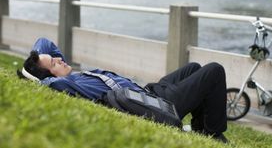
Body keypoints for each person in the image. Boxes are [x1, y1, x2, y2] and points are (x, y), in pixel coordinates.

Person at [17, 37, 228, 143]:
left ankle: (201, 126)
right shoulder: (63, 84)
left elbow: (44, 42)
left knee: (194, 69)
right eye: (54, 64)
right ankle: (212, 133)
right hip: (153, 105)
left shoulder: (73, 76)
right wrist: (35, 74)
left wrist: (36, 59)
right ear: (50, 77)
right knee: (214, 71)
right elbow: (45, 83)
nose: (60, 60)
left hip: (147, 91)